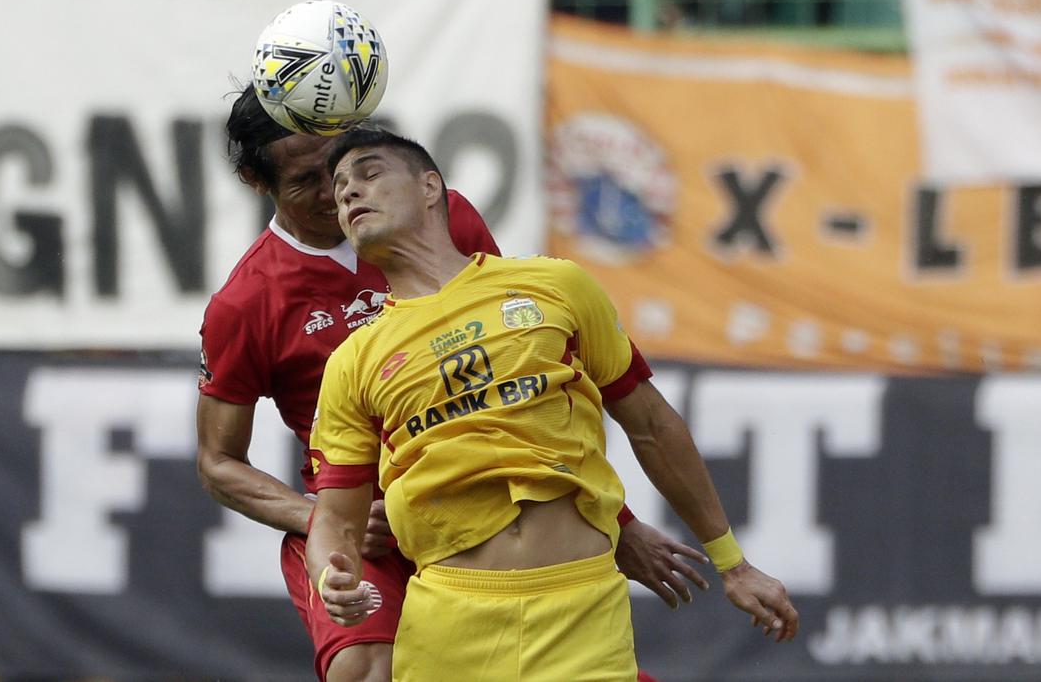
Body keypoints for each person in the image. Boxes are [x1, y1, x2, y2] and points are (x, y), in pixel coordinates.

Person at [196, 91, 709, 682]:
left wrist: (617, 527)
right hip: (361, 519)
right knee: (363, 669)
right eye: (307, 180)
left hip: (470, 494)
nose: (333, 192)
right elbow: (217, 463)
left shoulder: (433, 218)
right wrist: (318, 517)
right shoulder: (246, 302)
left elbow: (519, 376)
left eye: (339, 164)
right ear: (255, 182)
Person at [305, 129, 799, 681]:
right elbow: (334, 519)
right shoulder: (353, 360)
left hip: (581, 612)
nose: (348, 194)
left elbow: (653, 426)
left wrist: (734, 564)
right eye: (340, 187)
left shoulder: (554, 285)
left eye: (369, 174)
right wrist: (329, 573)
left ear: (429, 187)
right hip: (450, 626)